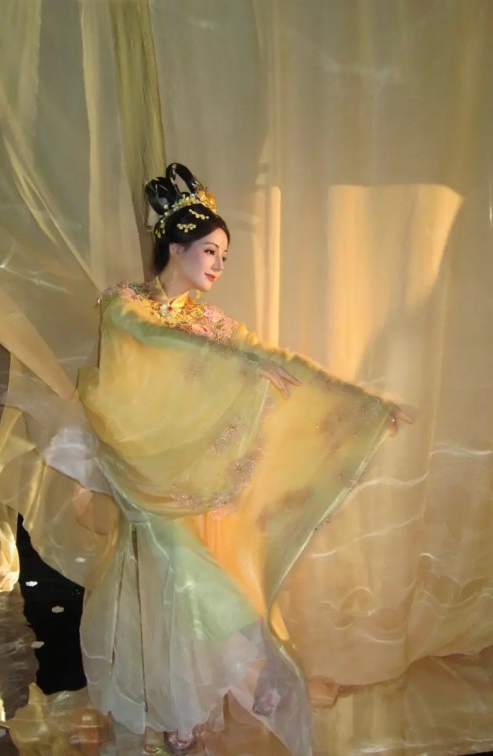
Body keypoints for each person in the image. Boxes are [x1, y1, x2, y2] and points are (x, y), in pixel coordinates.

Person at [70, 163, 410, 755]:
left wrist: (365, 401)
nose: (219, 264)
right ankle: (249, 675)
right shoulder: (126, 304)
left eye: (225, 255)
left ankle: (192, 707)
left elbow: (281, 359)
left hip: (195, 475)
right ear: (175, 247)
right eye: (210, 251)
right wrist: (240, 363)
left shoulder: (213, 323)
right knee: (183, 576)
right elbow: (156, 338)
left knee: (181, 588)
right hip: (141, 469)